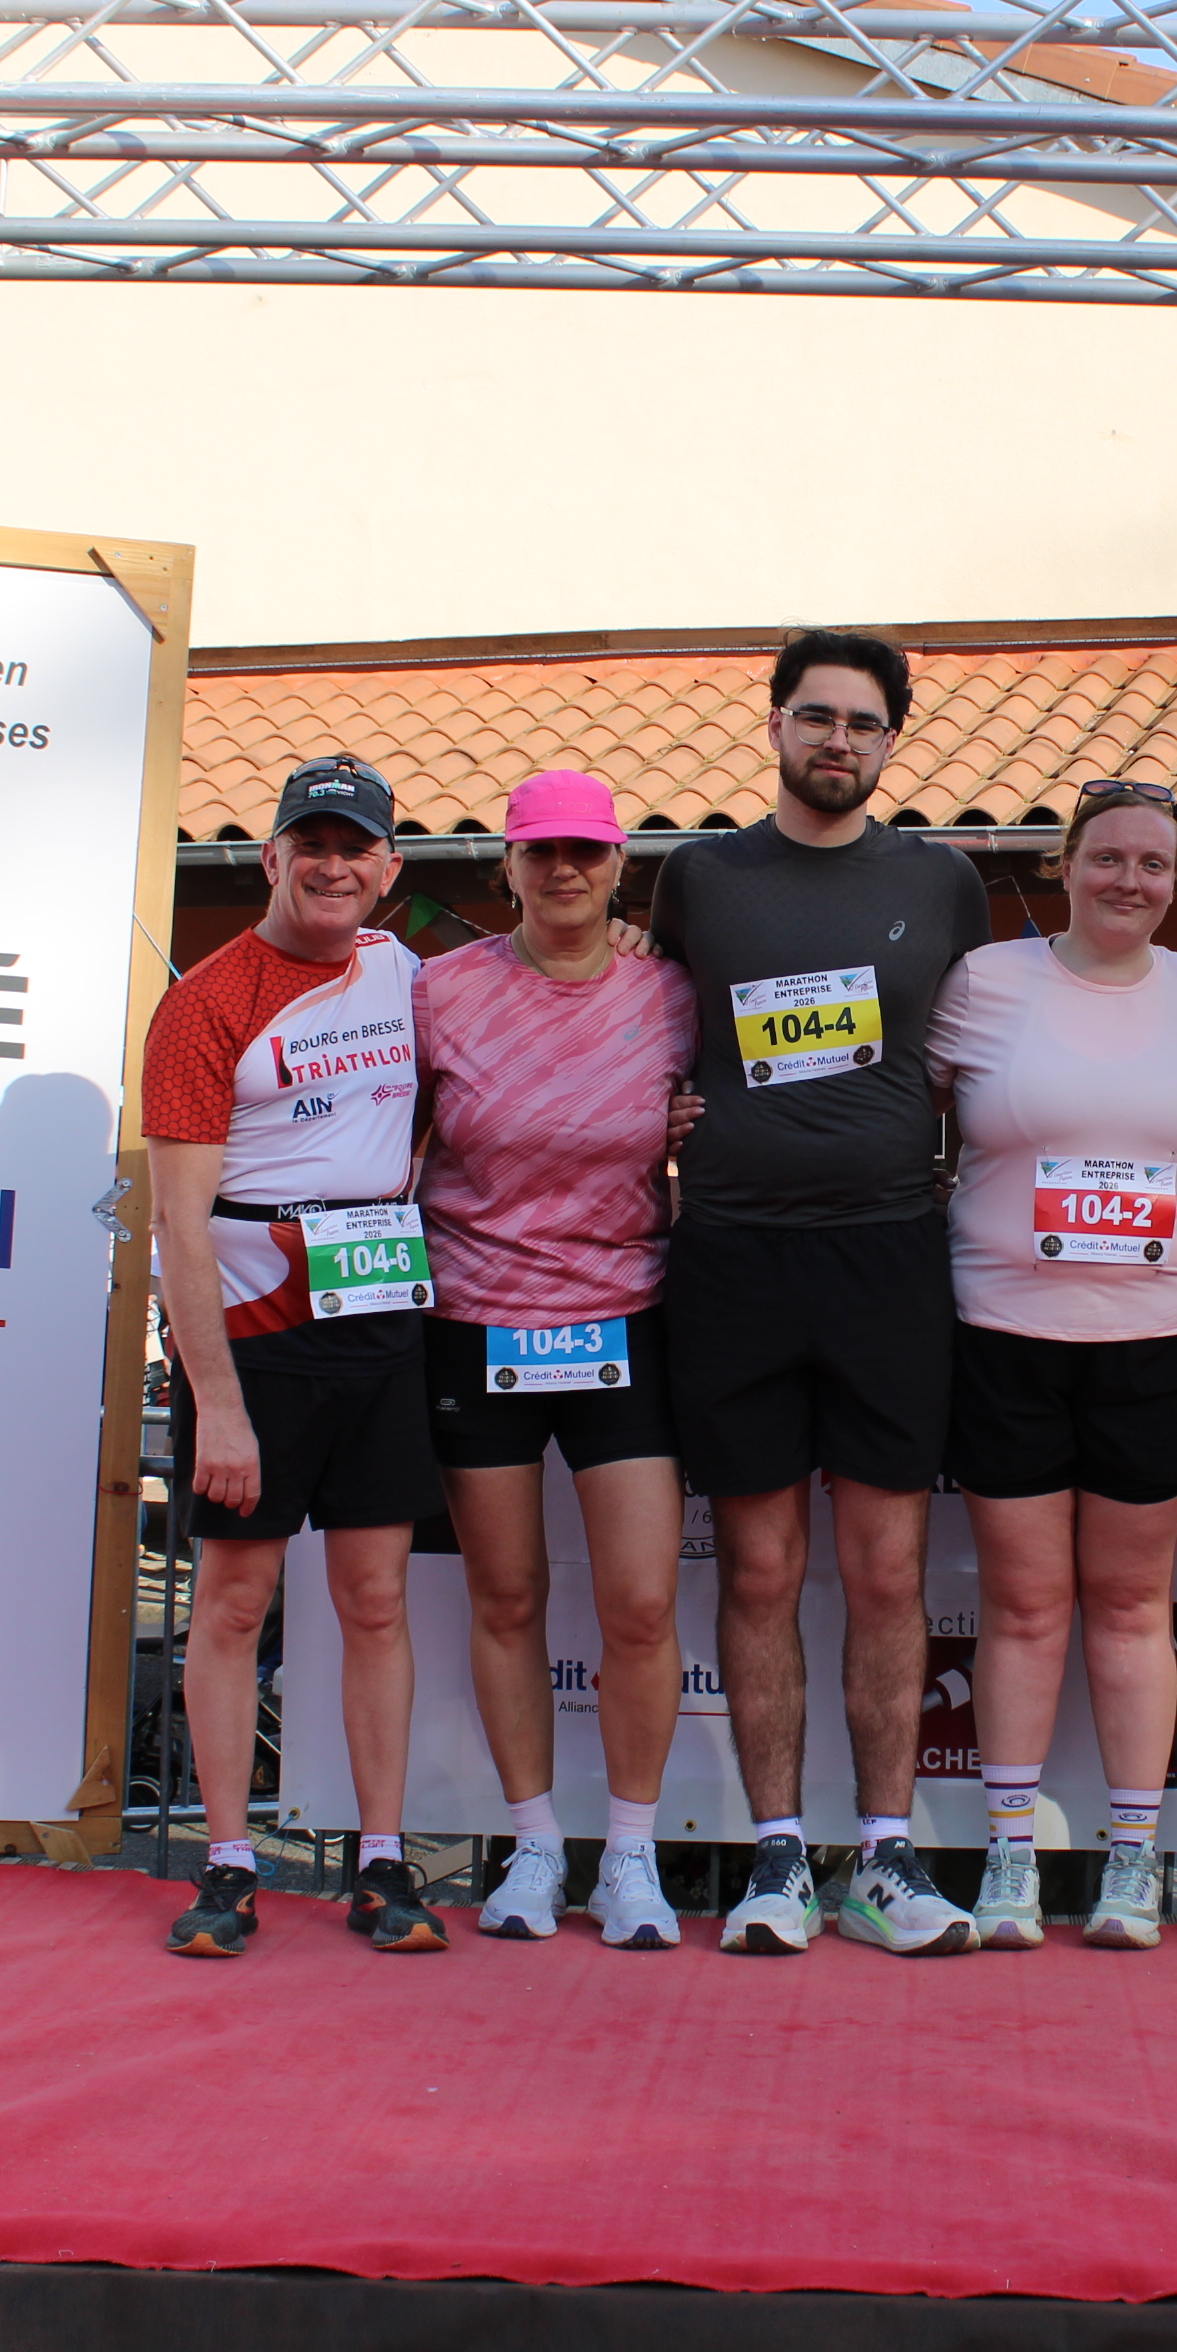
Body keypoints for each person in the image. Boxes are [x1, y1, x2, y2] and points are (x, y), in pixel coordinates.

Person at [649, 630, 992, 1957]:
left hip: (888, 1256)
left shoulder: (943, 882)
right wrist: (660, 1112)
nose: (836, 740)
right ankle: (779, 1857)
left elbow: (972, 1042)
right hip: (733, 1258)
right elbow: (648, 1021)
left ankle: (888, 1857)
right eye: (815, 716)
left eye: (861, 722)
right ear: (776, 726)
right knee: (759, 1565)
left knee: (887, 1570)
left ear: (892, 741)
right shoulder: (700, 878)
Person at [147, 755, 449, 1960]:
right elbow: (176, 1225)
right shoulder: (206, 1001)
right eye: (310, 844)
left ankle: (382, 1862)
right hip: (253, 1330)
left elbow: (540, 985)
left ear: (389, 868)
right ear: (271, 856)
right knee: (233, 1602)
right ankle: (228, 1864)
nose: (332, 866)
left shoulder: (407, 972)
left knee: (375, 1599)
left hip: (379, 1311)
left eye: (355, 847)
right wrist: (214, 1403)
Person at [926, 781, 1177, 1950]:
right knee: (1024, 1602)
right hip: (1005, 1335)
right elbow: (904, 1107)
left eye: (1153, 863)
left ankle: (1133, 1860)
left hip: (1158, 1341)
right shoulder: (984, 981)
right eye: (1108, 857)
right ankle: (1008, 1852)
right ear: (1065, 864)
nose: (1128, 881)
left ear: (1176, 881)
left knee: (1131, 1601)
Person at [414, 771, 702, 1950]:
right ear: (509, 865)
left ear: (620, 863)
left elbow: (728, 1111)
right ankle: (534, 1846)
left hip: (622, 1319)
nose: (564, 870)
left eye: (585, 850)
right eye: (541, 852)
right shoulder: (439, 991)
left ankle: (630, 1855)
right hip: (475, 1322)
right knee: (507, 1596)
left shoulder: (671, 994)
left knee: (640, 1602)